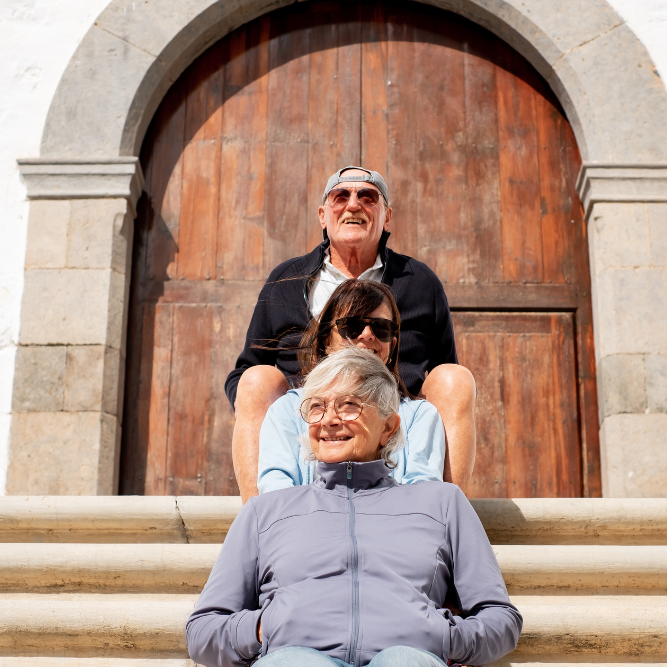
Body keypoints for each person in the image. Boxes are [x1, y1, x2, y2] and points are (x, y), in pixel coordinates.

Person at [187, 348, 522, 667]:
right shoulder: (266, 511)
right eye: (316, 407)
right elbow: (203, 631)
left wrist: (445, 638)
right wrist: (264, 627)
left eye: (349, 405)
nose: (329, 420)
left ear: (389, 427)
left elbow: (499, 618)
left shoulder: (442, 503)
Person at [226, 166, 476, 501]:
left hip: (395, 415)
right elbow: (244, 373)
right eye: (341, 196)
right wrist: (293, 416)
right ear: (322, 215)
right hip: (308, 415)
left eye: (367, 197)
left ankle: (447, 518)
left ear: (386, 217)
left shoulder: (420, 282)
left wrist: (400, 417)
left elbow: (444, 368)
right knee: (256, 380)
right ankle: (261, 522)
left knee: (454, 379)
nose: (353, 205)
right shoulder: (285, 279)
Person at [257, 279, 445, 493]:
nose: (366, 335)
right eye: (351, 326)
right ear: (327, 341)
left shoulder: (420, 417)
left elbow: (423, 497)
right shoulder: (287, 410)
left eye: (381, 328)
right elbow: (275, 491)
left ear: (391, 346)